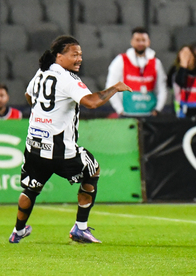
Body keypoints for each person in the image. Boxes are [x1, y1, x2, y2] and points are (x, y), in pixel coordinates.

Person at [9, 35, 131, 244]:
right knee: (93, 170)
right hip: (59, 149)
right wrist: (115, 89)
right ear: (59, 56)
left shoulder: (41, 73)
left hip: (35, 146)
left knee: (31, 188)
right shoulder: (68, 79)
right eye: (74, 54)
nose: (79, 59)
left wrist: (45, 114)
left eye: (81, 55)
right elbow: (91, 102)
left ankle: (17, 232)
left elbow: (29, 96)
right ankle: (80, 228)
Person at [105, 27, 167, 117]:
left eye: (143, 40)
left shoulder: (156, 63)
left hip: (150, 116)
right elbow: (111, 87)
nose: (141, 43)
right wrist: (120, 110)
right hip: (127, 114)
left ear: (148, 42)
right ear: (132, 42)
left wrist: (157, 109)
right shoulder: (121, 60)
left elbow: (162, 88)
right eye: (137, 40)